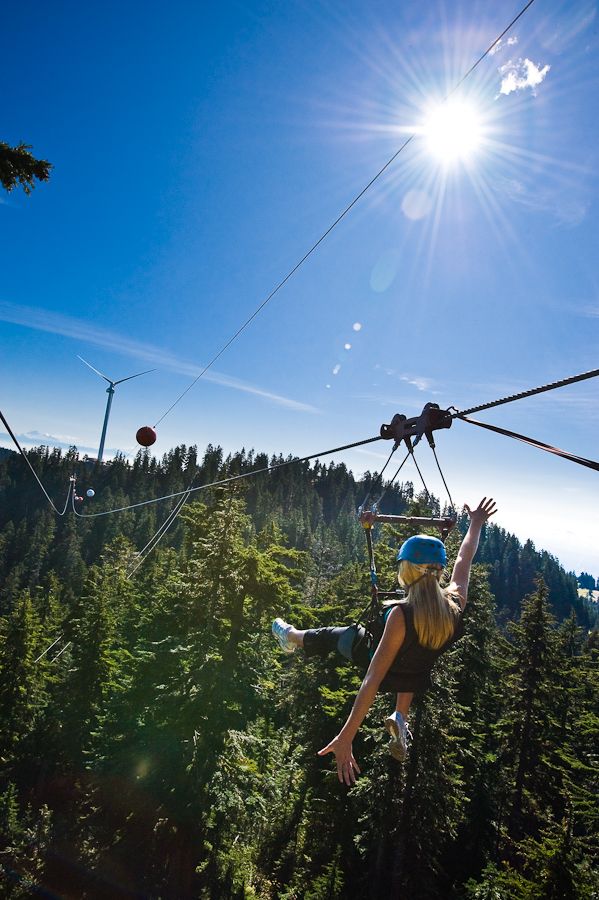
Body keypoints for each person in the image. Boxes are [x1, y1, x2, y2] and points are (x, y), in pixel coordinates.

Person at [271, 497, 497, 785]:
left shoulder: (401, 615)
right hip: (413, 674)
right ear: (439, 570)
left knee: (329, 636)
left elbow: (372, 679)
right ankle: (400, 717)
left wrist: (346, 735)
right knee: (414, 662)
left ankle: (289, 636)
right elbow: (464, 559)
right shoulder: (454, 605)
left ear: (407, 570)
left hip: (374, 657)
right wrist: (476, 523)